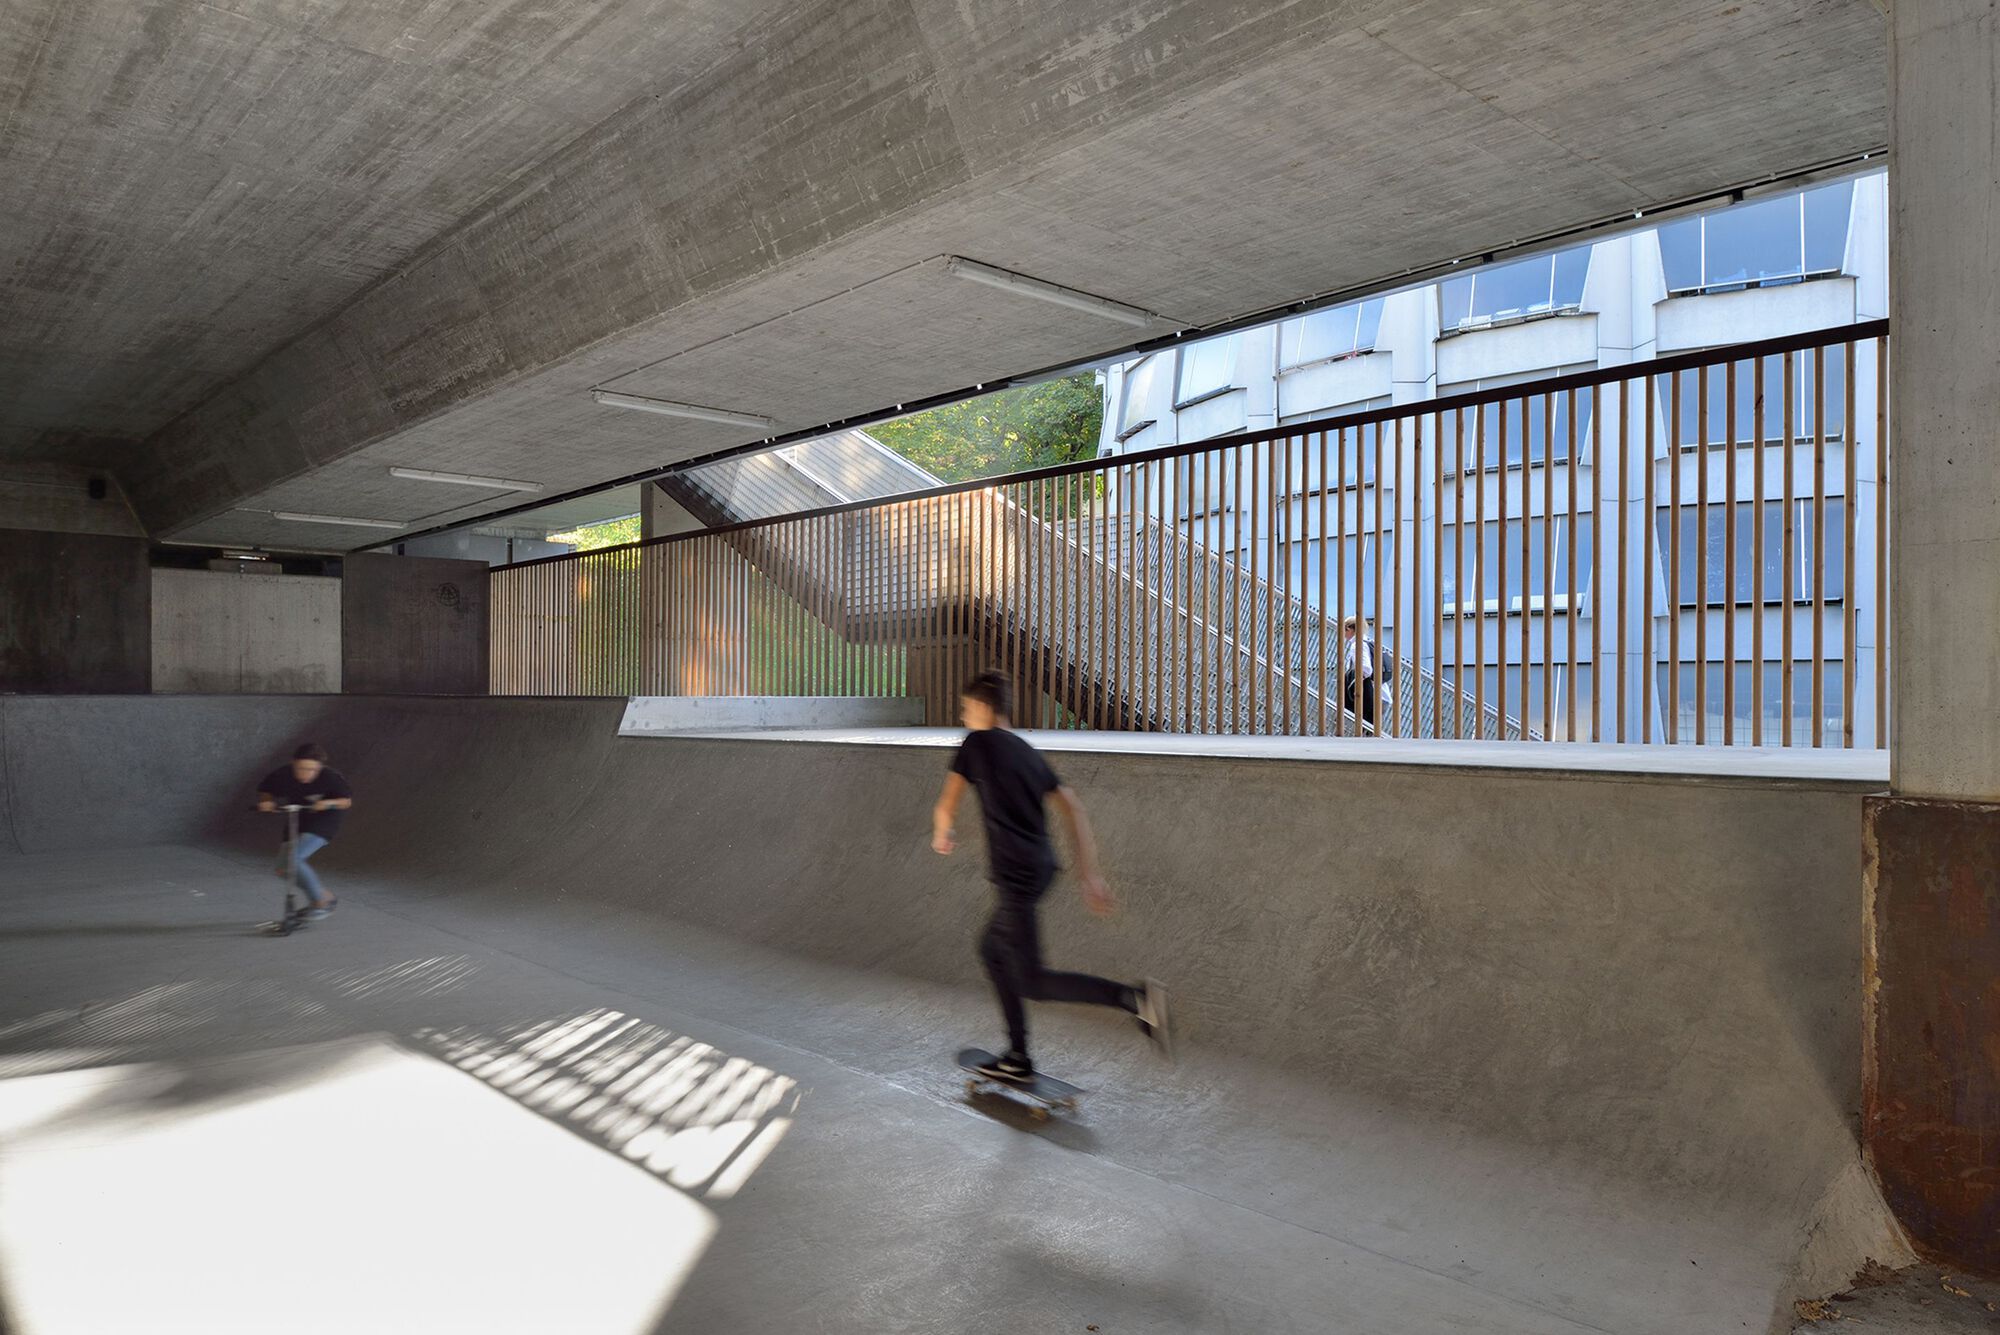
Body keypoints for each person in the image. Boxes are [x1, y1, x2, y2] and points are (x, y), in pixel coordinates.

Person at [931, 669, 1170, 1083]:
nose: (964, 717)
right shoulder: (1028, 752)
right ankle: (1018, 1055)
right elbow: (1073, 808)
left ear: (984, 709)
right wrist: (1089, 876)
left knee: (1033, 981)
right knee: (992, 950)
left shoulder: (977, 742)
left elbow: (947, 801)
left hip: (1017, 877)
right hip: (1040, 869)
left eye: (967, 709)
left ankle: (1134, 1000)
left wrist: (942, 829)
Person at [255, 743, 353, 921]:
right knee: (282, 869)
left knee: (294, 859)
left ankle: (319, 904)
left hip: (324, 822)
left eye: (312, 770)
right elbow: (266, 789)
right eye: (302, 768)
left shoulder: (330, 777)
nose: (307, 773)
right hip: (297, 819)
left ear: (319, 768)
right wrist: (267, 801)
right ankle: (325, 896)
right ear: (293, 763)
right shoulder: (282, 774)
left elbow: (346, 801)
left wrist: (327, 803)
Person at [1341, 615, 1380, 729]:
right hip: (1377, 689)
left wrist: (1355, 684)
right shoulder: (1368, 641)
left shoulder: (1357, 645)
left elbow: (1366, 668)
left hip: (1365, 690)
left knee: (1364, 725)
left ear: (1349, 629)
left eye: (1344, 630)